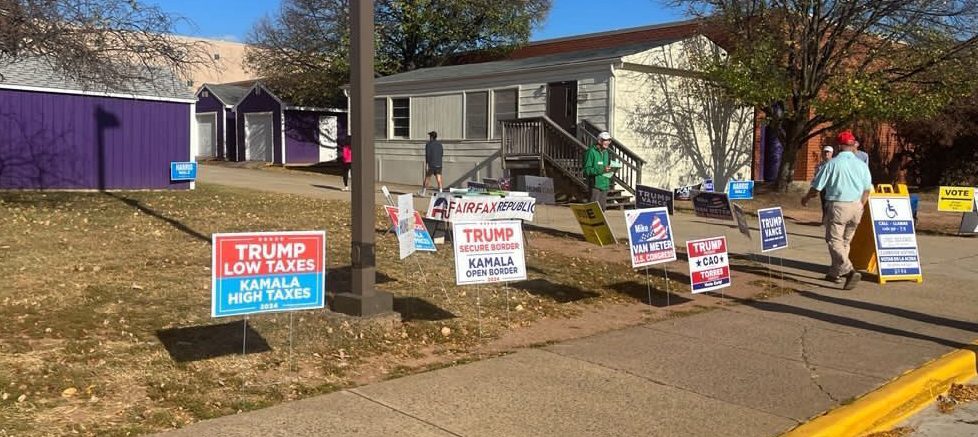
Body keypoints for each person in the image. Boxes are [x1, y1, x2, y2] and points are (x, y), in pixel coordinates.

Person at [801, 130, 874, 290]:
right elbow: (867, 189)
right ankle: (835, 273)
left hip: (839, 205)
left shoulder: (832, 164)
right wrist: (861, 204)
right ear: (852, 145)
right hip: (857, 206)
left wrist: (806, 198)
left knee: (834, 240)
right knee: (845, 242)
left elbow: (817, 187)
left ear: (839, 146)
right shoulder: (861, 165)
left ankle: (848, 270)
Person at [583, 131, 614, 210]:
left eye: (609, 140)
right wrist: (602, 169)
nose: (607, 142)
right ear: (599, 141)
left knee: (602, 210)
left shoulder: (606, 152)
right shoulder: (591, 152)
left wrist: (611, 170)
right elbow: (587, 170)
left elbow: (605, 168)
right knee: (594, 210)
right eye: (605, 140)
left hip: (605, 185)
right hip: (595, 186)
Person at [814, 145, 834, 221]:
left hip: (832, 188)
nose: (826, 154)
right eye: (825, 152)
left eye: (828, 152)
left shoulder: (835, 164)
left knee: (831, 204)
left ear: (832, 153)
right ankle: (825, 219)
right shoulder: (819, 165)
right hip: (823, 187)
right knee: (824, 203)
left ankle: (830, 219)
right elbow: (816, 176)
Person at [421, 131, 443, 196]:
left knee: (427, 178)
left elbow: (427, 154)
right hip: (439, 164)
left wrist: (427, 164)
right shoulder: (440, 144)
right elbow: (442, 154)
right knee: (439, 179)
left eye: (430, 136)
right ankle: (441, 193)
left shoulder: (428, 144)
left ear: (431, 137)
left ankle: (423, 192)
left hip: (431, 164)